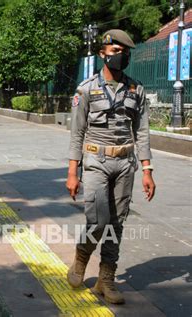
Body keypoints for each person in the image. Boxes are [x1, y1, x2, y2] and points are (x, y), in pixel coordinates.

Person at [66, 29, 156, 305]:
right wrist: (73, 173)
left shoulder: (135, 89)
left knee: (117, 224)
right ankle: (81, 259)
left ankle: (106, 280)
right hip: (95, 162)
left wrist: (147, 170)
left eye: (124, 53)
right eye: (115, 52)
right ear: (102, 53)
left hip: (125, 163)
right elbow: (77, 133)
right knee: (97, 222)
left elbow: (141, 131)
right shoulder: (87, 89)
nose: (120, 57)